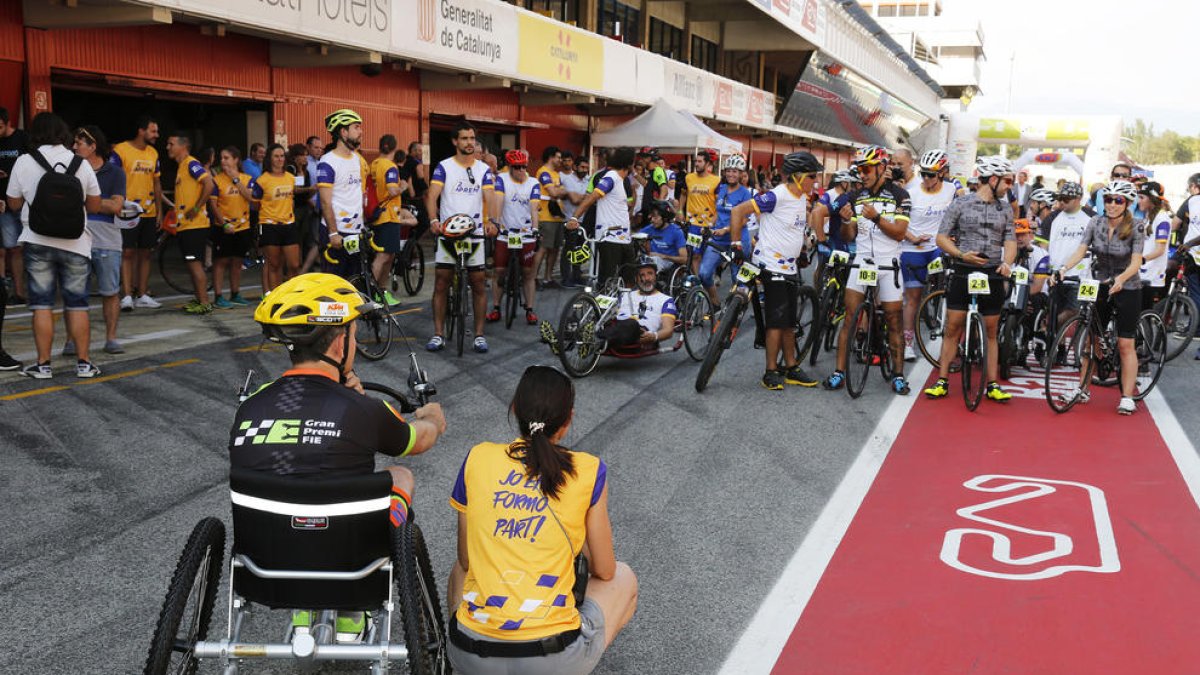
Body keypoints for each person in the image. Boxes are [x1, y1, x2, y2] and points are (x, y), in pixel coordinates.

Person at [239, 272, 447, 640]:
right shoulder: (364, 411)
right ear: (338, 345)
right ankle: (353, 612)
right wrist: (431, 416)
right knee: (401, 475)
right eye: (354, 332)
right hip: (349, 563)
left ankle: (303, 610)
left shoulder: (251, 408)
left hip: (265, 567)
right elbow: (420, 440)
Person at [447, 365, 637, 674]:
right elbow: (604, 569)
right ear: (568, 420)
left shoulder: (477, 457)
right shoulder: (587, 470)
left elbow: (466, 559)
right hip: (553, 657)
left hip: (470, 652)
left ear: (514, 409)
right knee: (624, 577)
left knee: (461, 568)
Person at [5, 112, 102, 378]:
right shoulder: (80, 163)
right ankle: (83, 364)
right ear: (63, 134)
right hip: (76, 242)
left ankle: (43, 365)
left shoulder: (24, 162)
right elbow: (93, 205)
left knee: (42, 304)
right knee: (78, 304)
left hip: (37, 241)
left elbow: (13, 203)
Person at [922, 155, 1018, 402]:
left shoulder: (1006, 208)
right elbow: (941, 238)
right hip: (964, 270)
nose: (1010, 185)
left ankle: (993, 384)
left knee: (991, 331)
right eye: (1007, 180)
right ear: (993, 179)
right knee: (952, 327)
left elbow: (1010, 241)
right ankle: (942, 380)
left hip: (993, 273)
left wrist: (1007, 263)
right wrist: (961, 254)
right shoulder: (961, 204)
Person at [730, 151, 824, 391]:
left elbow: (793, 229)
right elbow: (737, 212)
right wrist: (735, 245)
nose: (816, 181)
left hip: (789, 266)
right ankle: (770, 371)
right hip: (771, 265)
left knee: (789, 322)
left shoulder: (802, 197)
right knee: (776, 321)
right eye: (812, 176)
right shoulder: (777, 196)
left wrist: (802, 251)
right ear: (799, 175)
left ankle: (791, 367)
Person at [823, 145, 912, 395]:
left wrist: (876, 218)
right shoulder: (855, 196)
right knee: (850, 317)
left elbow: (899, 234)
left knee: (894, 321)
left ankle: (898, 375)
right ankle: (839, 372)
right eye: (860, 169)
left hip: (888, 265)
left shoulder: (899, 196)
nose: (862, 174)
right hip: (862, 261)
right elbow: (848, 235)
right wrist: (846, 220)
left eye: (866, 169)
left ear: (881, 168)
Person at [1051, 180, 1145, 414]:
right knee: (1092, 341)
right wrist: (1063, 269)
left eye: (1118, 200)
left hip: (1128, 286)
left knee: (1125, 344)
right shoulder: (1095, 222)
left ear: (1128, 204)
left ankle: (1126, 396)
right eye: (1108, 200)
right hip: (1100, 283)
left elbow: (1136, 262)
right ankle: (1083, 389)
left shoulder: (1137, 226)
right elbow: (1081, 251)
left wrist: (1121, 279)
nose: (1112, 204)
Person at [426, 120, 498, 353]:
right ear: (455, 141)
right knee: (441, 282)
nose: (469, 143)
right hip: (448, 233)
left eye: (472, 139)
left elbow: (490, 197)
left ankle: (479, 335)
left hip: (475, 233)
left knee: (478, 283)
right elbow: (432, 195)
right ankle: (438, 334)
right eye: (464, 138)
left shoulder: (483, 169)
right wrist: (433, 221)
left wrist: (493, 222)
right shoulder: (444, 167)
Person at [68, 125, 126, 355]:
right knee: (74, 291)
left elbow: (117, 206)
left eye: (78, 143)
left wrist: (84, 200)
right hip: (76, 236)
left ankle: (111, 338)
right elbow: (109, 204)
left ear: (93, 146)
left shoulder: (115, 172)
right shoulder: (71, 170)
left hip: (107, 238)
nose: (74, 147)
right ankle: (72, 340)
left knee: (110, 291)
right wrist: (101, 203)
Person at [899, 150, 956, 362]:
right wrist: (912, 238)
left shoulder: (952, 190)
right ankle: (908, 344)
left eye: (931, 174)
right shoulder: (911, 193)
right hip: (912, 249)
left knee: (948, 292)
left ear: (942, 173)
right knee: (912, 299)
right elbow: (899, 224)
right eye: (923, 174)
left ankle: (948, 337)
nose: (926, 179)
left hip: (937, 248)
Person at [111, 115, 164, 311]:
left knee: (145, 253)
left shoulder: (153, 153)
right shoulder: (120, 151)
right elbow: (112, 177)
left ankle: (142, 294)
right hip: (126, 212)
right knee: (127, 252)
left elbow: (157, 183)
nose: (156, 135)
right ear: (141, 131)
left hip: (149, 212)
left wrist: (159, 211)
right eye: (153, 131)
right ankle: (126, 295)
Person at [566, 147, 636, 287]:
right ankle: (599, 307)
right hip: (609, 238)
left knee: (629, 279)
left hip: (623, 237)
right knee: (606, 282)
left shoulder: (621, 180)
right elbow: (592, 197)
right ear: (629, 164)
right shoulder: (611, 177)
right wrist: (574, 218)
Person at [487, 149, 541, 325]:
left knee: (528, 273)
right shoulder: (502, 179)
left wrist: (535, 228)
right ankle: (496, 308)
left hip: (525, 234)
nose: (521, 170)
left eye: (524, 167)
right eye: (517, 167)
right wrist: (495, 222)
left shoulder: (533, 182)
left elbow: (534, 208)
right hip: (506, 233)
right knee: (499, 271)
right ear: (510, 167)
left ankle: (530, 309)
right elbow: (499, 201)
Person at [316, 109, 370, 280]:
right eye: (356, 127)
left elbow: (357, 195)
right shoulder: (327, 162)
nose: (361, 131)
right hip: (336, 233)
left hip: (355, 232)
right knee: (335, 284)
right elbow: (325, 202)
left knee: (355, 282)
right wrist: (333, 233)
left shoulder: (356, 159)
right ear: (343, 132)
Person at [166, 134, 215, 314]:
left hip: (195, 226)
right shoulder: (181, 167)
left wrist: (197, 207)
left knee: (195, 264)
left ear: (183, 145)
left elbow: (209, 183)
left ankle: (204, 302)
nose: (167, 147)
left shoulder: (191, 164)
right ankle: (199, 298)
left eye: (171, 144)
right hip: (185, 226)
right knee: (191, 264)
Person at [368, 134, 416, 306]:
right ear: (394, 149)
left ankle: (380, 291)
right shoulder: (390, 166)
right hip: (388, 215)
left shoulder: (373, 164)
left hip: (376, 214)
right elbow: (392, 190)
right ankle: (374, 293)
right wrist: (403, 185)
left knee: (388, 255)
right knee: (383, 256)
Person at [699, 155, 753, 305]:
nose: (731, 174)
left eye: (735, 171)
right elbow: (718, 211)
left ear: (742, 174)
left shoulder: (745, 193)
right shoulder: (722, 189)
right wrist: (710, 225)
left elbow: (744, 219)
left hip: (738, 240)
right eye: (728, 171)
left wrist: (726, 229)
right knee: (704, 273)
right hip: (718, 240)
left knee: (738, 279)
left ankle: (735, 313)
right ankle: (715, 303)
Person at [593, 257, 677, 351]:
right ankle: (576, 332)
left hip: (639, 332)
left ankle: (596, 340)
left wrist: (654, 336)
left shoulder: (666, 300)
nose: (647, 278)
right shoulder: (625, 294)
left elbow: (668, 330)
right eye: (642, 275)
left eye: (650, 274)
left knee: (631, 323)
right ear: (636, 279)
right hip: (616, 327)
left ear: (656, 276)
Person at [1039, 181, 1092, 328]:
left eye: (1066, 199)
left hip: (1080, 274)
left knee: (1075, 310)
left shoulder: (1090, 218)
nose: (1061, 202)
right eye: (1059, 198)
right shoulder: (1051, 218)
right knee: (1055, 310)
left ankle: (1048, 327)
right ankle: (1058, 346)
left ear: (1078, 198)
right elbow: (1043, 246)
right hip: (1056, 273)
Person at [209, 146, 254, 309]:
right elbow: (213, 205)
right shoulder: (217, 180)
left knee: (237, 261)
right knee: (221, 261)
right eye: (221, 158)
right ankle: (219, 296)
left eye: (227, 158)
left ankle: (235, 293)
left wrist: (235, 179)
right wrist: (224, 223)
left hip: (243, 226)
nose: (223, 161)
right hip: (223, 227)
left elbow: (250, 197)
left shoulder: (246, 178)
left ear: (236, 160)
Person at [0, 107, 29, 305]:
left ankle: (23, 290)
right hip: (4, 203)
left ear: (8, 122)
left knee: (30, 248)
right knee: (11, 249)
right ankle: (15, 292)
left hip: (26, 202)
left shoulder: (23, 139)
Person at [533, 146, 567, 289]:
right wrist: (561, 190)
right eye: (558, 157)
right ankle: (533, 279)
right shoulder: (543, 172)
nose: (560, 160)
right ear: (551, 157)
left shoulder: (556, 174)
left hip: (557, 216)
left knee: (555, 249)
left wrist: (560, 191)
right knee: (543, 248)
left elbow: (559, 191)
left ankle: (548, 278)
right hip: (545, 217)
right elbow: (553, 192)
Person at [682, 149, 721, 274]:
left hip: (709, 225)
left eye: (699, 161)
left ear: (707, 163)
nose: (696, 164)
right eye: (696, 161)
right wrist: (679, 212)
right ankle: (698, 284)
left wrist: (714, 221)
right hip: (693, 225)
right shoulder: (689, 178)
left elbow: (720, 204)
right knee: (695, 255)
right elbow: (683, 195)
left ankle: (709, 277)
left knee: (709, 256)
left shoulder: (716, 181)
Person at [1136, 181, 1171, 310]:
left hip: (1151, 273)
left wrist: (1142, 260)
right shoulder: (1149, 216)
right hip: (1142, 270)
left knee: (1143, 312)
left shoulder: (1162, 219)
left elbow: (1160, 249)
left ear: (1152, 199)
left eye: (1141, 197)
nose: (1138, 201)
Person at [642, 200, 686, 274]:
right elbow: (635, 236)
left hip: (669, 262)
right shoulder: (649, 228)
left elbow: (684, 259)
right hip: (650, 259)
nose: (652, 220)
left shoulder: (676, 232)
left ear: (665, 218)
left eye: (655, 218)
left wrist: (663, 256)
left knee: (653, 262)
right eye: (651, 217)